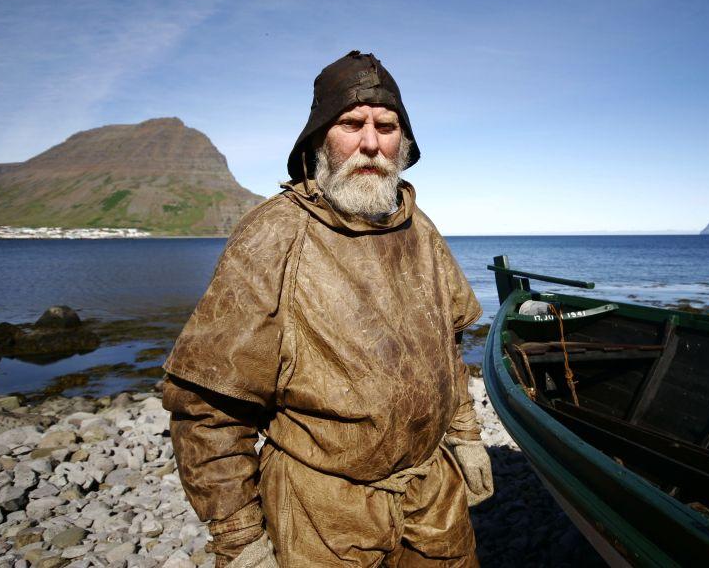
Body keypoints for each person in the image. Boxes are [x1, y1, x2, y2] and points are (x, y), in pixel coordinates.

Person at [161, 50, 494, 568]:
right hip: (323, 513)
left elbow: (444, 347)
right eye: (351, 123)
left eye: (386, 126)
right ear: (319, 138)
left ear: (402, 143)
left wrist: (466, 437)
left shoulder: (417, 227)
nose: (370, 142)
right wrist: (241, 539)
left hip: (433, 497)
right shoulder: (275, 235)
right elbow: (207, 406)